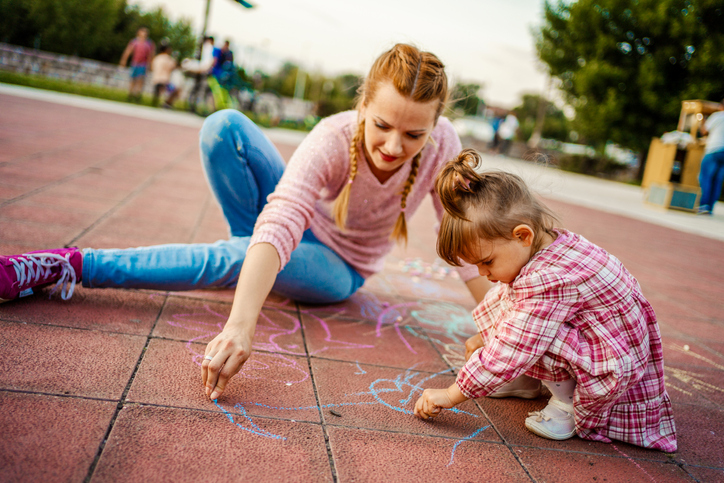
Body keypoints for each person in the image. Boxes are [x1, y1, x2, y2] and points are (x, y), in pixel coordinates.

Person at [0, 44, 492, 400]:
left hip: (340, 267)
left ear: (435, 126)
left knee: (236, 256)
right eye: (382, 125)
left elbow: (467, 240)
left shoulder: (443, 146)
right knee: (224, 128)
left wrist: (502, 331)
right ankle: (251, 261)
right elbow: (283, 216)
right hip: (298, 230)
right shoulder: (332, 135)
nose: (392, 146)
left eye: (413, 134)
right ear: (363, 104)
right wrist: (242, 324)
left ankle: (71, 265)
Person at [413, 149, 677, 452]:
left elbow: (514, 346)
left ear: (522, 235)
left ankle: (567, 406)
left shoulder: (547, 279)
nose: (483, 272)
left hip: (612, 363)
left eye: (486, 261)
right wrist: (487, 337)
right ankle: (525, 382)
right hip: (605, 340)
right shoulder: (548, 244)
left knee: (523, 333)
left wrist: (452, 393)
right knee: (506, 299)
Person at [698, 99, 724, 215]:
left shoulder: (717, 116)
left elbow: (704, 131)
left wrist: (702, 121)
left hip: (714, 149)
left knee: (706, 177)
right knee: (717, 180)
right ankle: (710, 207)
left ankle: (704, 205)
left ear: (721, 106)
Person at [120, 27, 155, 103]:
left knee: (140, 80)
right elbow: (128, 51)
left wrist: (151, 65)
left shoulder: (148, 43)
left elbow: (150, 55)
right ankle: (130, 94)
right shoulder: (134, 41)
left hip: (143, 64)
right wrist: (124, 60)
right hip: (135, 63)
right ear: (139, 33)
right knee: (132, 79)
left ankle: (137, 95)